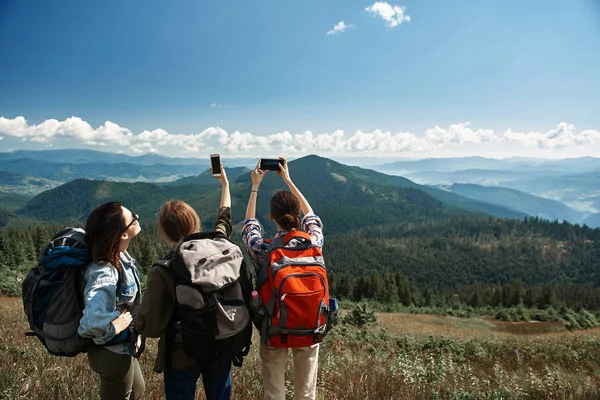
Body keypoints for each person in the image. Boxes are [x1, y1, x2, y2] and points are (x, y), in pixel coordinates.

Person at [136, 163, 233, 400]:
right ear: (195, 222)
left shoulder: (164, 269)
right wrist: (225, 184)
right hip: (221, 345)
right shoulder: (219, 247)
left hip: (181, 354)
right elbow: (224, 218)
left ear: (165, 233)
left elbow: (151, 327)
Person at [241, 157, 324, 400]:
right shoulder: (315, 243)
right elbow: (313, 217)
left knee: (274, 393)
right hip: (310, 326)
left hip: (274, 327)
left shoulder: (263, 249)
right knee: (306, 393)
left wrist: (255, 186)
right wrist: (288, 180)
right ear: (296, 215)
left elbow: (248, 226)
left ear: (272, 217)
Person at [78, 201, 145, 400]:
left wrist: (134, 335)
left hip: (122, 347)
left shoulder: (121, 256)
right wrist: (114, 328)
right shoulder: (104, 271)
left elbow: (126, 304)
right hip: (110, 352)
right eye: (133, 217)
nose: (137, 217)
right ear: (123, 233)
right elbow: (91, 323)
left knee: (137, 391)